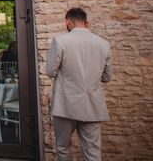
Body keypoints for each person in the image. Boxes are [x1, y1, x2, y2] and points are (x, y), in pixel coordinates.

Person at [46, 8, 112, 161]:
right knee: (93, 151)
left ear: (68, 21)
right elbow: (107, 77)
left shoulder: (60, 41)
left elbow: (50, 72)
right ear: (86, 23)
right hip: (92, 104)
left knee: (63, 148)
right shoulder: (104, 44)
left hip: (65, 104)